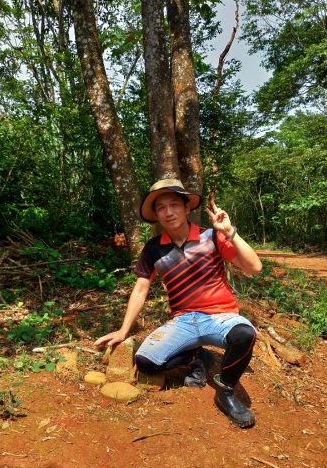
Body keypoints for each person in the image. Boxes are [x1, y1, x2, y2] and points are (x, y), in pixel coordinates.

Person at [95, 179, 262, 428]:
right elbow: (141, 289)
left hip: (220, 317)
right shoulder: (153, 249)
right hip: (183, 321)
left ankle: (225, 391)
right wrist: (123, 330)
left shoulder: (211, 237)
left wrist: (230, 232)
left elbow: (254, 267)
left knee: (244, 334)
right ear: (156, 215)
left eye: (174, 205)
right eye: (161, 207)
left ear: (186, 208)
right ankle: (196, 357)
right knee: (146, 362)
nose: (169, 212)